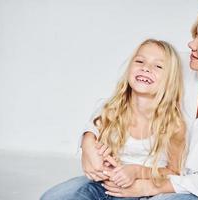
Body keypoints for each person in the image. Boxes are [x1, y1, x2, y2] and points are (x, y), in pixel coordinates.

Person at [41, 2, 198, 200]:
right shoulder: (174, 66)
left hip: (186, 190)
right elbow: (118, 101)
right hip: (128, 172)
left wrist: (148, 186)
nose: (191, 45)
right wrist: (89, 141)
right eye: (195, 36)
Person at [41, 39, 186, 199]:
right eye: (139, 61)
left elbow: (174, 171)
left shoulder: (174, 124)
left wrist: (136, 171)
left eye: (158, 66)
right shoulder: (111, 109)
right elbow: (90, 134)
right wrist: (96, 155)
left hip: (146, 189)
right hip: (106, 184)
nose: (146, 68)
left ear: (170, 80)